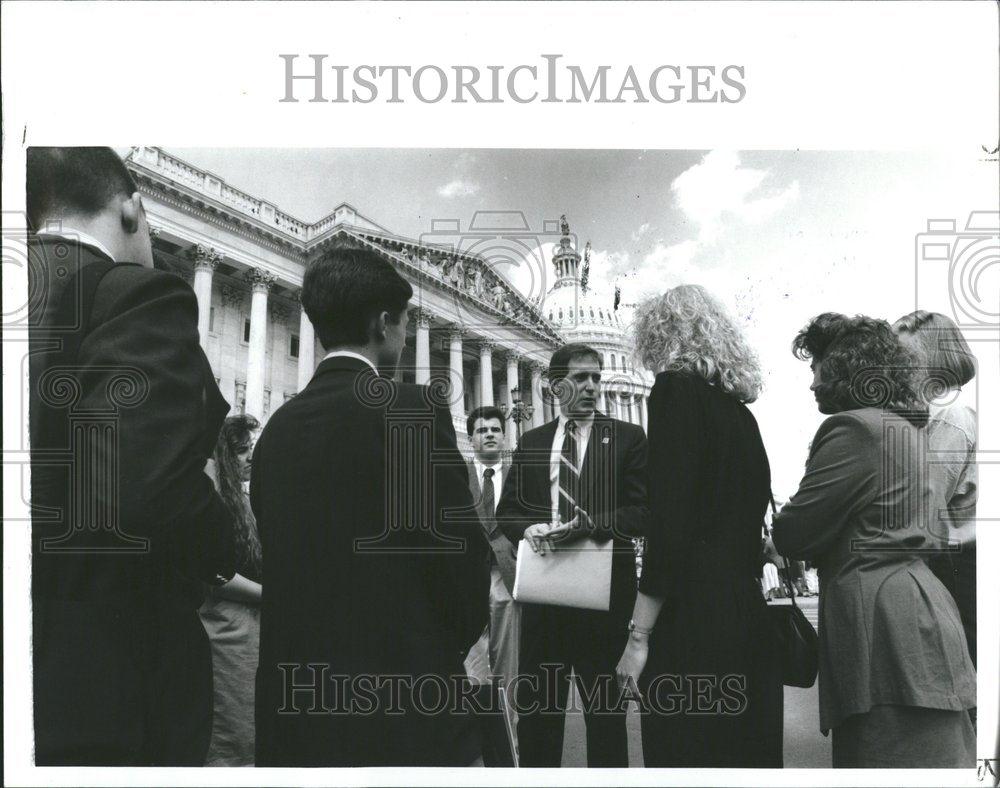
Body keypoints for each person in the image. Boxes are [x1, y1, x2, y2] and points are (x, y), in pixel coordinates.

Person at [26, 147, 235, 765]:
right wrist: (221, 539)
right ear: (131, 209)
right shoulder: (137, 296)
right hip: (103, 675)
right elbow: (144, 489)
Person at [252, 246, 490, 767]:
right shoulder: (415, 411)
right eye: (405, 324)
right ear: (384, 324)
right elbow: (464, 565)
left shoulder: (274, 432)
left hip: (301, 713)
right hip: (406, 706)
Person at [772, 313, 976, 768]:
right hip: (920, 610)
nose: (811, 383)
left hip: (880, 624)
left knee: (887, 756)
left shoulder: (851, 429)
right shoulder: (903, 427)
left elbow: (793, 532)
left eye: (816, 366)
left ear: (842, 364)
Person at [615, 284, 782, 768]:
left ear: (659, 335)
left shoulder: (674, 391)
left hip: (694, 621)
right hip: (745, 613)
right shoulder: (740, 414)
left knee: (687, 757)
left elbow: (669, 528)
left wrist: (638, 637)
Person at [496, 342, 648, 767]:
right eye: (581, 378)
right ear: (556, 385)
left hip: (604, 607)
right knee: (539, 719)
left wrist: (589, 524)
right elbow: (506, 513)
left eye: (597, 378)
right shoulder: (531, 442)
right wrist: (528, 527)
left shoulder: (627, 438)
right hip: (544, 606)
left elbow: (642, 511)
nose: (592, 387)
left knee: (606, 722)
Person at [894, 310, 977, 668]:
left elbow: (920, 505)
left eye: (902, 357)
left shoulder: (946, 415)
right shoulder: (940, 412)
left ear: (932, 359)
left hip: (953, 569)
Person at [199, 415, 263, 766]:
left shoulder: (240, 498)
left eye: (251, 448)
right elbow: (214, 575)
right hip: (224, 632)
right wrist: (272, 595)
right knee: (231, 733)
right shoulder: (214, 500)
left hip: (243, 629)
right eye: (242, 450)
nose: (250, 457)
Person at [463, 405, 519, 766]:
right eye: (481, 429)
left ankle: (510, 738)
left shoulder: (518, 476)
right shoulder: (457, 475)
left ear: (504, 435)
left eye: (495, 429)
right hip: (467, 582)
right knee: (472, 666)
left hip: (509, 579)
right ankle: (476, 741)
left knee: (508, 665)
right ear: (471, 438)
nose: (489, 434)